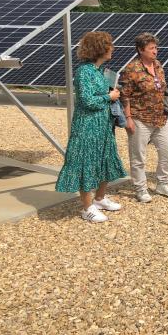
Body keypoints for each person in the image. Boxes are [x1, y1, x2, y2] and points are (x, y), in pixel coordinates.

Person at [55, 31, 126, 223]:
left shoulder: (98, 71)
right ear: (99, 48)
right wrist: (108, 97)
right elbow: (86, 101)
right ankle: (87, 208)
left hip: (102, 126)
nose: (113, 48)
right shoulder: (84, 71)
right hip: (87, 127)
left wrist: (112, 93)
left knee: (105, 160)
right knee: (86, 163)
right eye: (110, 45)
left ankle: (100, 199)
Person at [120, 32, 168, 203]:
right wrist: (128, 118)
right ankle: (141, 189)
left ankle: (162, 184)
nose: (155, 51)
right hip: (139, 119)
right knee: (138, 156)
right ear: (140, 50)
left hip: (160, 118)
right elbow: (125, 96)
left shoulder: (158, 65)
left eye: (156, 48)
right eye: (151, 48)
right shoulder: (132, 69)